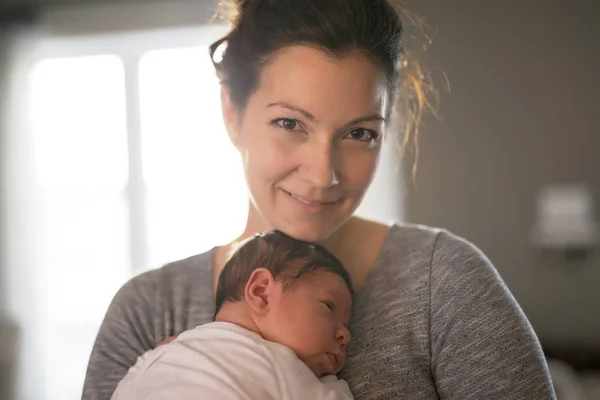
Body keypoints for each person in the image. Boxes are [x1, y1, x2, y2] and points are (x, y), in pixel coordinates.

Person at [83, 0, 557, 399]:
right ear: (232, 112)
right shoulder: (147, 311)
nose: (322, 174)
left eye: (359, 133)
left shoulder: (444, 284)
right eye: (290, 123)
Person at [111, 230, 354, 399]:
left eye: (346, 323)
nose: (346, 335)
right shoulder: (288, 369)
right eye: (329, 307)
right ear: (261, 292)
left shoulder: (163, 354)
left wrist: (154, 357)